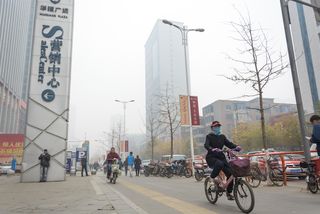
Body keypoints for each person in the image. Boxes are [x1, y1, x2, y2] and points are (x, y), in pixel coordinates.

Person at [204, 121, 241, 200]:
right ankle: (211, 178)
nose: (217, 128)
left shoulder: (222, 136)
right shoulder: (209, 136)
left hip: (221, 156)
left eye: (218, 126)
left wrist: (237, 147)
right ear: (212, 128)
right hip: (211, 157)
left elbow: (229, 144)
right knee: (219, 164)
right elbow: (206, 145)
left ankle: (229, 193)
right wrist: (212, 149)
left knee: (231, 174)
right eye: (215, 127)